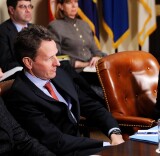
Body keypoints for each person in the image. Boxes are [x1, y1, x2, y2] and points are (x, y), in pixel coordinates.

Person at [4, 25, 124, 156]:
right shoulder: (20, 95)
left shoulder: (59, 74)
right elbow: (56, 141)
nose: (57, 63)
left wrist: (114, 133)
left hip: (81, 147)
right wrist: (105, 145)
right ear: (28, 62)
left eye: (56, 55)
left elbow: (91, 106)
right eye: (50, 58)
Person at [48, 0, 107, 98]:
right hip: (76, 71)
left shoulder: (85, 24)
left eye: (75, 2)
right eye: (69, 2)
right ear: (61, 6)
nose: (74, 5)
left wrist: (97, 57)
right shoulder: (55, 26)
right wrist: (81, 64)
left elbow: (95, 50)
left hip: (93, 68)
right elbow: (57, 56)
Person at [0, 0, 32, 73]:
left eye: (29, 6)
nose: (28, 10)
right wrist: (32, 64)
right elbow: (5, 64)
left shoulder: (35, 28)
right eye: (23, 7)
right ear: (11, 10)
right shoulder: (2, 31)